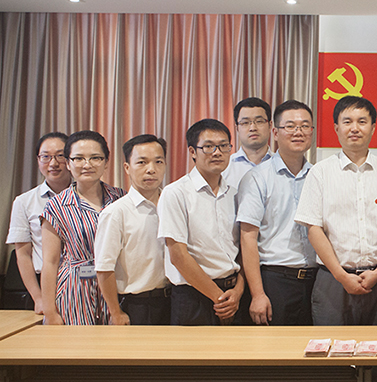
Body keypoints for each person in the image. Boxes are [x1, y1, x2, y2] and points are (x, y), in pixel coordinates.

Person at [295, 96, 377, 325]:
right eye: (347, 122)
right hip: (332, 281)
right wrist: (341, 275)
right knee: (331, 345)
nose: (355, 128)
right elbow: (313, 228)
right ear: (336, 128)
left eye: (362, 121)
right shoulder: (320, 172)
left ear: (373, 128)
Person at [237, 100, 317, 325]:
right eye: (290, 126)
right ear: (275, 132)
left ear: (312, 131)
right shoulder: (257, 177)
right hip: (275, 281)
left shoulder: (318, 176)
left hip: (316, 280)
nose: (298, 132)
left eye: (305, 126)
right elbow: (248, 237)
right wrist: (257, 294)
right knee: (273, 346)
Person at [158, 119, 244, 325]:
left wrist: (238, 291)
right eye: (208, 147)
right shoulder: (176, 193)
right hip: (194, 297)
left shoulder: (235, 194)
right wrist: (219, 298)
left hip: (233, 295)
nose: (217, 152)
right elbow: (178, 256)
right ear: (192, 152)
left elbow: (242, 249)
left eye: (223, 146)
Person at [40, 131, 125, 325]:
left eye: (95, 158)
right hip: (73, 291)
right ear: (68, 163)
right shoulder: (56, 206)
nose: (87, 165)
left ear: (106, 161)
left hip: (115, 288)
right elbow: (50, 262)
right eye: (78, 158)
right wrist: (50, 312)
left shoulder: (121, 199)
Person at [95, 134, 171, 325]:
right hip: (138, 304)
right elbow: (104, 269)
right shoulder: (116, 212)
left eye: (158, 162)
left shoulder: (172, 206)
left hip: (174, 300)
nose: (151, 169)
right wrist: (116, 313)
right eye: (142, 162)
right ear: (127, 167)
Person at [6, 132, 71, 313]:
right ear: (38, 160)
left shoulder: (87, 197)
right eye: (46, 156)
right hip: (44, 283)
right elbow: (23, 254)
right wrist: (39, 298)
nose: (53, 163)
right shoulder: (24, 202)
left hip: (84, 282)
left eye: (60, 156)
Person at [222, 97, 273, 190]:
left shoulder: (282, 165)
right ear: (237, 128)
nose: (253, 128)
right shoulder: (224, 168)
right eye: (245, 122)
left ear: (270, 126)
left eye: (259, 121)